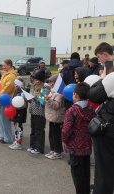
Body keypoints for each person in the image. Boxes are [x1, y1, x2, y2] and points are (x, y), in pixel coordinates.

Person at [88, 42, 114, 194]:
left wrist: (102, 78)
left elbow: (94, 95)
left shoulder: (111, 75)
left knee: (104, 169)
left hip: (109, 129)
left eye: (100, 58)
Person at [62, 82, 96, 193]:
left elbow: (66, 130)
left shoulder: (72, 110)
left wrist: (65, 141)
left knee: (77, 176)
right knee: (86, 174)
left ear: (75, 95)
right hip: (86, 147)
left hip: (75, 148)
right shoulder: (90, 108)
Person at [27, 70, 51, 154]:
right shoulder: (36, 87)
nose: (36, 82)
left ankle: (39, 148)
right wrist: (29, 99)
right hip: (33, 112)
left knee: (39, 131)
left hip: (40, 113)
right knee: (33, 130)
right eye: (35, 80)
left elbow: (42, 102)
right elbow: (33, 100)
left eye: (38, 80)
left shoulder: (44, 88)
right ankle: (33, 145)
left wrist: (34, 97)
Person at [44, 74, 66, 159]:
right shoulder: (52, 92)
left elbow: (56, 106)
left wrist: (48, 100)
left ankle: (58, 152)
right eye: (50, 83)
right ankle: (53, 150)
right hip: (51, 117)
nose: (50, 84)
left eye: (52, 83)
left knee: (56, 135)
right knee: (51, 135)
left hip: (57, 118)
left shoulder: (59, 94)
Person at [0, 59, 17, 143]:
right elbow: (1, 86)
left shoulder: (11, 75)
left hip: (6, 100)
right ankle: (2, 136)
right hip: (1, 99)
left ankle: (8, 138)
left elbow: (8, 88)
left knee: (5, 121)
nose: (3, 67)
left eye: (4, 65)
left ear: (9, 65)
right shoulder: (5, 74)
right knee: (0, 120)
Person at [9, 78, 27, 150]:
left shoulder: (23, 93)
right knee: (16, 127)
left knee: (19, 128)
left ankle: (19, 143)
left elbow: (23, 104)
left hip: (20, 112)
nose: (14, 85)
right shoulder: (16, 91)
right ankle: (16, 141)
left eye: (16, 84)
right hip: (15, 111)